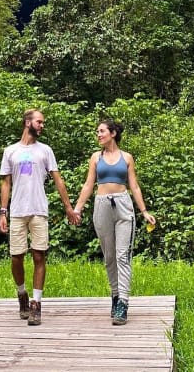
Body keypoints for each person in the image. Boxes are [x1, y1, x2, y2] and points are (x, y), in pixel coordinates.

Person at [0, 108, 79, 326]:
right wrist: (2, 212)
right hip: (17, 211)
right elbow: (5, 182)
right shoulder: (10, 151)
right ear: (27, 123)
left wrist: (68, 208)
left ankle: (36, 304)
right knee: (16, 256)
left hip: (39, 210)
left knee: (39, 256)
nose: (42, 126)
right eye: (39, 122)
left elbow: (57, 179)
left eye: (43, 122)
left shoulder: (45, 151)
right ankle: (22, 294)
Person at [72, 119, 156, 325]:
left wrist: (144, 211)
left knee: (122, 255)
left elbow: (134, 186)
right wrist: (77, 209)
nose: (98, 135)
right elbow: (88, 184)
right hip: (101, 205)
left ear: (113, 133)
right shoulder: (95, 157)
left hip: (123, 205)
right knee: (109, 256)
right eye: (97, 132)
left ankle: (124, 303)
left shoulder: (126, 157)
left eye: (101, 131)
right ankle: (115, 295)